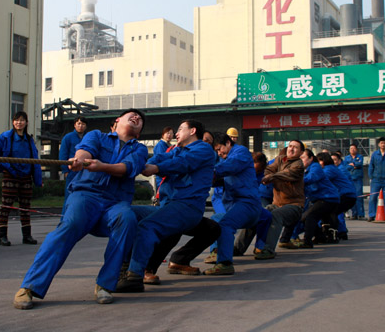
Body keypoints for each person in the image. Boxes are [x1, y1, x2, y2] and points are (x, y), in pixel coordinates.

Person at [13, 109, 148, 308]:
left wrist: (101, 166)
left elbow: (127, 168)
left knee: (127, 219)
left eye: (140, 119)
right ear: (117, 120)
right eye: (132, 115)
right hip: (86, 195)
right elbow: (84, 150)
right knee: (69, 226)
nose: (136, 117)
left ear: (139, 132)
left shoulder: (140, 149)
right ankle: (30, 287)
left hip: (115, 202)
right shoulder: (97, 136)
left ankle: (105, 285)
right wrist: (79, 160)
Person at [115, 120, 217, 292]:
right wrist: (136, 164)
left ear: (192, 131)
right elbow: (160, 157)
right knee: (126, 213)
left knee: (148, 226)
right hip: (168, 205)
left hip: (187, 207)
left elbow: (183, 163)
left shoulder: (203, 149)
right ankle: (123, 267)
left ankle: (135, 276)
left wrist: (156, 168)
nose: (176, 133)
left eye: (180, 129)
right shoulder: (177, 150)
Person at [203, 132, 261, 274]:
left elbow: (230, 167)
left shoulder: (241, 152)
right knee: (215, 220)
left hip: (248, 204)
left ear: (228, 143)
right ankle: (216, 251)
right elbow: (220, 178)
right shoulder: (225, 159)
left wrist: (210, 172)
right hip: (235, 205)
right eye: (216, 151)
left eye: (220, 149)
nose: (219, 153)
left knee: (225, 224)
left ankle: (225, 263)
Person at [0, 112, 42, 246]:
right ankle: (2, 236)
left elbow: (35, 159)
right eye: (17, 120)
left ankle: (27, 236)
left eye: (22, 120)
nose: (19, 122)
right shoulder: (4, 137)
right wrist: (2, 167)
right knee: (6, 205)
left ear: (26, 122)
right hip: (10, 174)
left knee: (25, 207)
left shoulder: (29, 140)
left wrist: (38, 180)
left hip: (26, 175)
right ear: (13, 122)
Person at [254, 140, 305, 257]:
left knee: (276, 215)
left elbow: (287, 174)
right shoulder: (280, 159)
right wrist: (266, 175)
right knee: (258, 214)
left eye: (295, 147)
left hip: (294, 206)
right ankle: (238, 248)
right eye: (290, 146)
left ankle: (267, 249)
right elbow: (269, 169)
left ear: (301, 152)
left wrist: (271, 177)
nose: (291, 149)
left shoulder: (299, 164)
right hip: (276, 204)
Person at [300, 149, 340, 248]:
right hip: (322, 198)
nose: (301, 160)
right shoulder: (305, 170)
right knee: (307, 217)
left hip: (328, 198)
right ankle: (320, 237)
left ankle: (307, 242)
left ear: (311, 158)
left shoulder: (315, 167)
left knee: (309, 216)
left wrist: (296, 181)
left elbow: (311, 179)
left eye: (303, 157)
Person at [322, 152, 357, 240]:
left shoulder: (339, 170)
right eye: (332, 160)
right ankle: (340, 231)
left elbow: (322, 179)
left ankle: (340, 232)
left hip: (345, 194)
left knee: (334, 212)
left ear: (339, 160)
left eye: (335, 160)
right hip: (343, 194)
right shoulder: (335, 169)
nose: (333, 161)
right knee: (335, 212)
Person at [59, 116, 87, 203]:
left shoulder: (88, 137)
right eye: (79, 123)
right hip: (72, 171)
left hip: (85, 171)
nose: (80, 126)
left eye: (83, 124)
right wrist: (65, 171)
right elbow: (63, 154)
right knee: (70, 195)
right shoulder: (68, 137)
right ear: (74, 125)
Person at [368, 137, 385, 221]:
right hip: (376, 180)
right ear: (378, 144)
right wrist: (371, 176)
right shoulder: (374, 154)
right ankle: (372, 215)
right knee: (373, 197)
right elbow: (371, 166)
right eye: (381, 143)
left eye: (384, 143)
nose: (383, 144)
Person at [345, 143, 365, 220]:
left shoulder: (360, 157)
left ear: (356, 149)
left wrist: (352, 164)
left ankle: (361, 214)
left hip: (358, 178)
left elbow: (359, 164)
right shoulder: (346, 158)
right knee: (352, 196)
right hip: (350, 179)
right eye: (351, 148)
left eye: (354, 148)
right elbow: (346, 166)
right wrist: (354, 166)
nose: (352, 150)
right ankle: (354, 214)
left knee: (359, 196)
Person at [153, 126, 174, 194]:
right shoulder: (160, 145)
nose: (169, 135)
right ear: (163, 134)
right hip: (162, 175)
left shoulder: (169, 146)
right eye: (167, 133)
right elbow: (161, 159)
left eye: (171, 133)